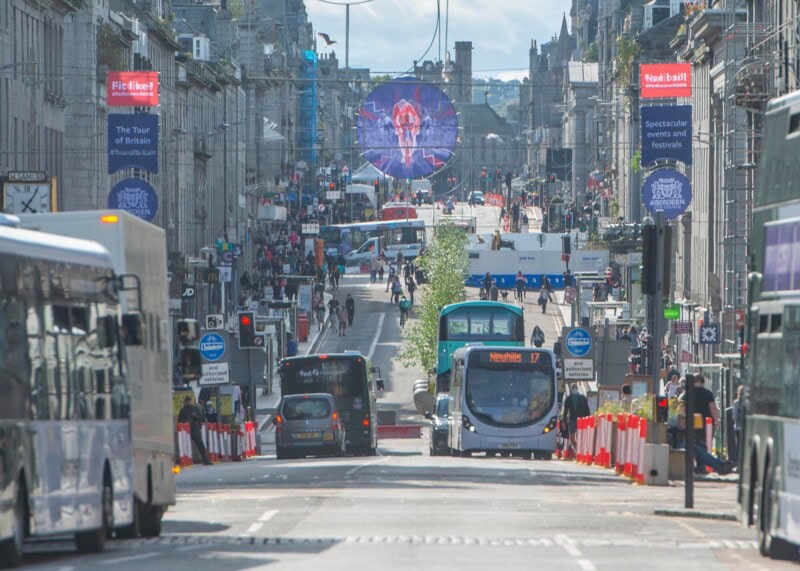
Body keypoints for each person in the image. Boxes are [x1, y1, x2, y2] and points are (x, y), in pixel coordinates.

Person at [177, 396, 212, 465]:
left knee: (200, 444)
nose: (189, 403)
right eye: (187, 402)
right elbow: (179, 421)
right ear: (185, 403)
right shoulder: (183, 410)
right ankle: (186, 460)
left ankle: (205, 460)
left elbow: (201, 418)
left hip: (194, 429)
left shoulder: (195, 408)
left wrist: (195, 416)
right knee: (185, 446)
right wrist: (185, 422)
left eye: (190, 401)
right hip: (186, 431)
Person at [562, 383, 591, 453]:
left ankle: (580, 451)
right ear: (571, 389)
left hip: (581, 420)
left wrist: (588, 419)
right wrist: (564, 421)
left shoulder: (582, 398)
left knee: (580, 437)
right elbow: (565, 411)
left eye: (575, 387)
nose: (574, 389)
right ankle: (578, 449)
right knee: (572, 437)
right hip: (572, 420)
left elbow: (587, 409)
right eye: (573, 387)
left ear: (577, 389)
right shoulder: (568, 399)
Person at [731, 385, 744, 464]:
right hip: (747, 428)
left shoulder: (736, 403)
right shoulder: (750, 403)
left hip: (739, 427)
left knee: (739, 446)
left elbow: (734, 416)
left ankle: (739, 462)